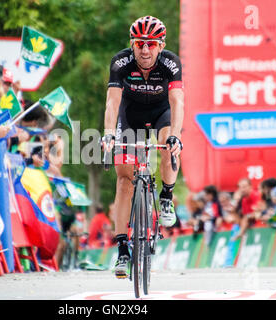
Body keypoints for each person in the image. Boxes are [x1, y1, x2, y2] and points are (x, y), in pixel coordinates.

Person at [101, 16, 184, 278]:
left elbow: (177, 101)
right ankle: (123, 249)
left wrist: (176, 136)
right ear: (132, 44)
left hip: (161, 113)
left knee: (169, 146)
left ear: (160, 45)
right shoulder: (121, 62)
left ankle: (167, 197)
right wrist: (107, 135)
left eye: (150, 44)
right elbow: (113, 103)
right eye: (139, 44)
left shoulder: (171, 63)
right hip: (131, 115)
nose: (144, 50)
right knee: (125, 179)